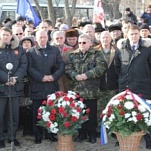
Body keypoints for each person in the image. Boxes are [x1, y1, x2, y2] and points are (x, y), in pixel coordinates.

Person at [65, 34, 106, 144]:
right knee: (79, 113)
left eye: (84, 42)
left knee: (91, 114)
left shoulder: (97, 54)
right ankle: (81, 134)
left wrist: (86, 75)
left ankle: (92, 134)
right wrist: (75, 75)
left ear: (90, 43)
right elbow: (68, 68)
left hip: (91, 90)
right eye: (79, 43)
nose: (81, 45)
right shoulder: (72, 54)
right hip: (77, 90)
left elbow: (101, 68)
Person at [115, 24, 151, 149]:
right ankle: (125, 137)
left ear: (139, 34)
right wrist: (123, 79)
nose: (134, 36)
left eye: (136, 33)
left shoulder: (147, 49)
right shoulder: (121, 49)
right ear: (127, 35)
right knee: (126, 112)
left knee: (144, 113)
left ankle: (148, 139)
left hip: (143, 86)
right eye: (131, 34)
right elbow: (117, 66)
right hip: (126, 86)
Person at [27, 30, 65, 144]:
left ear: (48, 38)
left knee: (51, 112)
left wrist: (54, 76)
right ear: (36, 39)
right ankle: (38, 135)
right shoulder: (31, 52)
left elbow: (61, 65)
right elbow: (29, 68)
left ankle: (50, 133)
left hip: (51, 86)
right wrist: (41, 77)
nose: (42, 39)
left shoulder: (54, 50)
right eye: (40, 37)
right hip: (37, 86)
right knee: (37, 113)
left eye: (44, 37)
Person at [0, 27, 27, 148]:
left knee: (14, 115)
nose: (5, 37)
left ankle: (12, 137)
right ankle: (0, 138)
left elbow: (23, 65)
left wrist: (15, 78)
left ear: (11, 35)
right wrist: (5, 78)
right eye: (3, 35)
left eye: (7, 35)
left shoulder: (19, 49)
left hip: (15, 88)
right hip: (1, 87)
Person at [94, 31, 119, 135]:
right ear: (100, 39)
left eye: (107, 37)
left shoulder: (117, 51)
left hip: (112, 85)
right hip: (98, 85)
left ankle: (111, 128)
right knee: (99, 108)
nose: (105, 39)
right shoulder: (95, 51)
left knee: (112, 108)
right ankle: (100, 128)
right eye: (103, 37)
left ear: (111, 39)